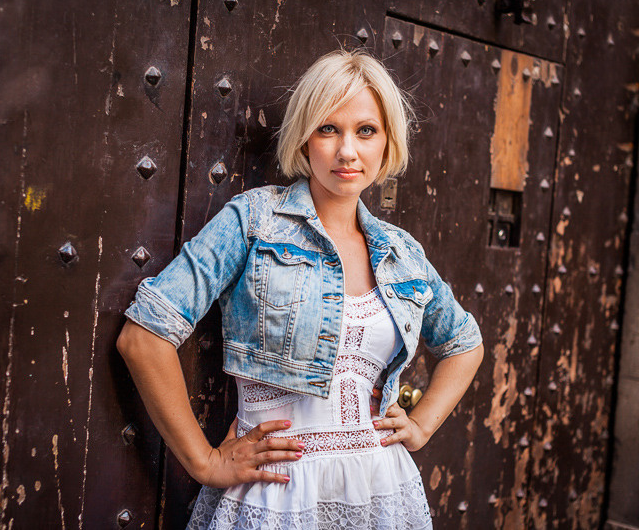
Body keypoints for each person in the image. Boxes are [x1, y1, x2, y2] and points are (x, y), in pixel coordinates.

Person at [116, 48, 484, 529]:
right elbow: (143, 338)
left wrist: (421, 426)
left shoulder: (402, 252)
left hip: (382, 490)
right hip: (279, 494)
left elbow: (464, 343)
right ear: (305, 138)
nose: (347, 151)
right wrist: (204, 462)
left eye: (365, 131)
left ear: (387, 143)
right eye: (328, 129)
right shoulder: (253, 221)